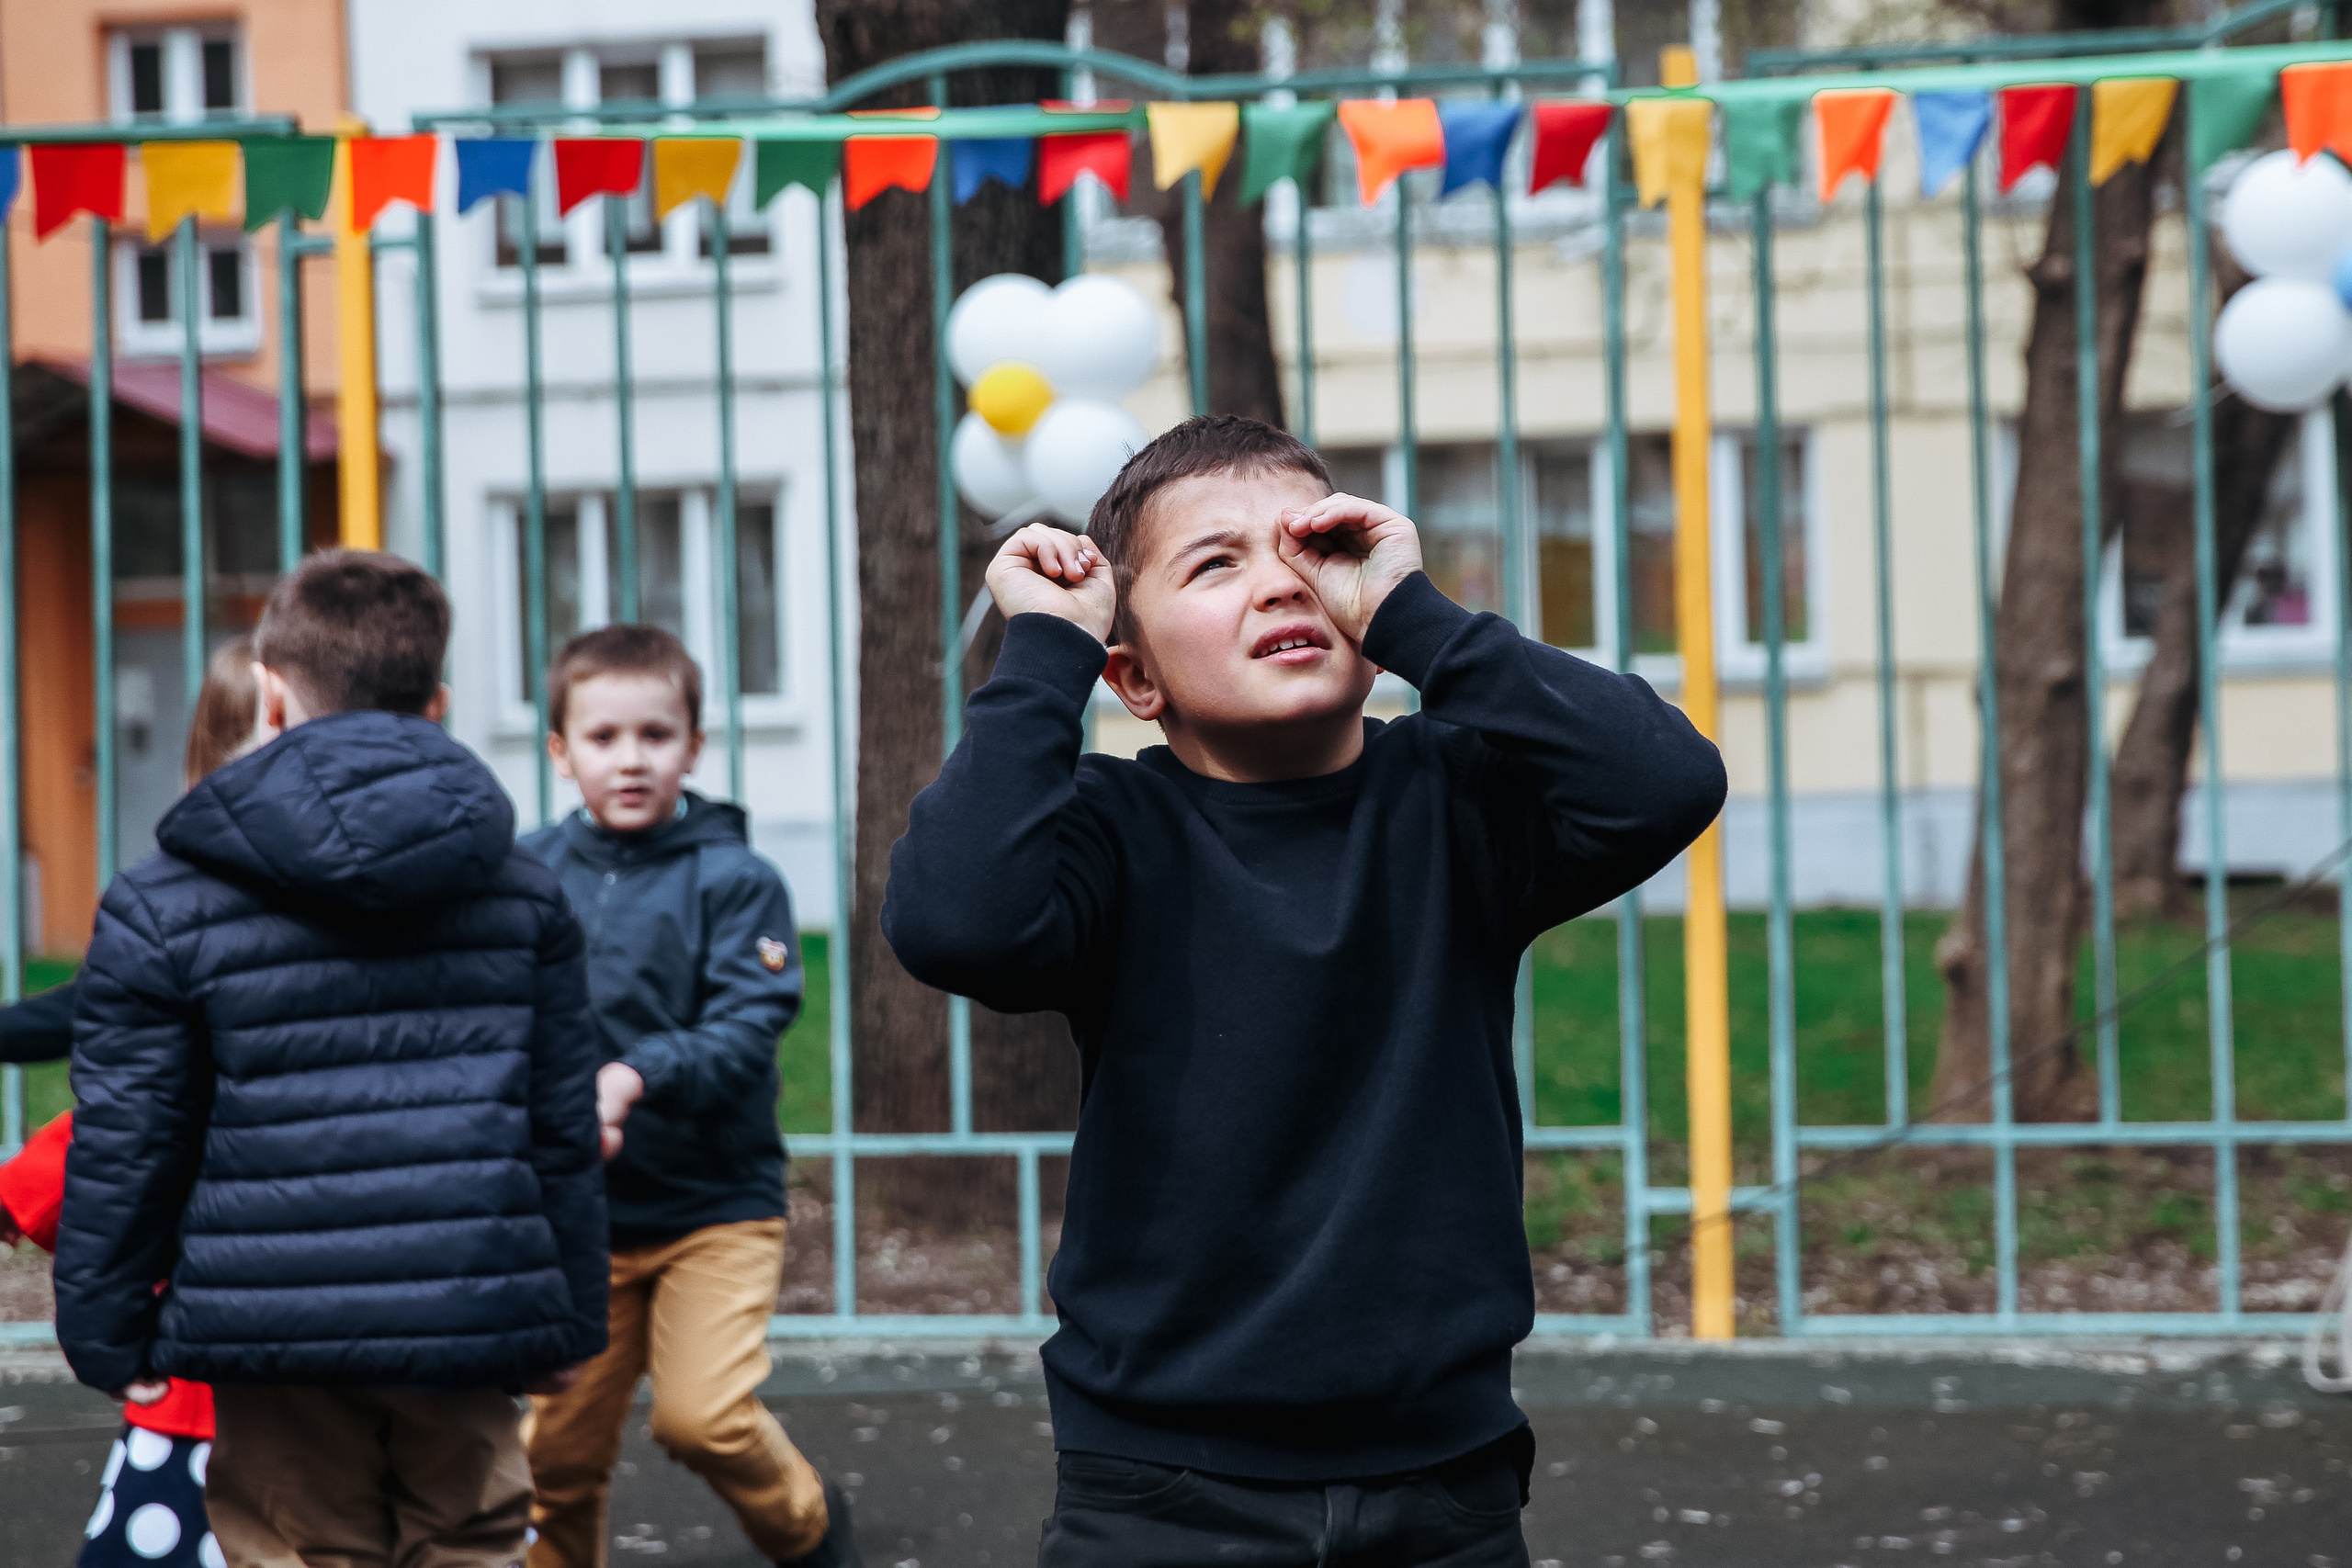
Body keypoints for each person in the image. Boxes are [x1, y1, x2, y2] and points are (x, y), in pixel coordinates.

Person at [882, 416, 1726, 1567]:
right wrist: (1045, 656)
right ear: (1133, 676)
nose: (1279, 584)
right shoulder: (1112, 831)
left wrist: (1415, 615)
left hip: (1446, 1481)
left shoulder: (1457, 803)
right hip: (1158, 1486)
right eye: (1214, 563)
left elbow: (1667, 779)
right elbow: (954, 920)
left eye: (1307, 551)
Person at [53, 551, 610, 1568]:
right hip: (468, 1299)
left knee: (299, 1544)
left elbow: (131, 1136)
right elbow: (560, 1124)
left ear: (269, 692)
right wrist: (572, 1317)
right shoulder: (523, 893)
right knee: (472, 1537)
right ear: (436, 703)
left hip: (269, 1315)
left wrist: (102, 1326)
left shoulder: (164, 900)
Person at [518, 624, 857, 1568]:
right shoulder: (526, 874)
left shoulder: (735, 879)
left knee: (701, 1417)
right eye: (603, 737)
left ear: (694, 747)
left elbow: (748, 1030)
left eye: (656, 736)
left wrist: (631, 1078)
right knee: (554, 1453)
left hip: (714, 1210)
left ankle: (812, 1530)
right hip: (582, 1218)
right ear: (560, 751)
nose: (631, 759)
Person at [0, 635, 270, 1567]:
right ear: (206, 765)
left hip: (275, 1336)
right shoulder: (178, 913)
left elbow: (146, 1110)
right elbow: (134, 1095)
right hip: (220, 1345)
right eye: (246, 742)